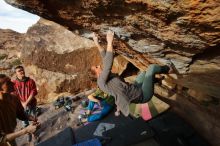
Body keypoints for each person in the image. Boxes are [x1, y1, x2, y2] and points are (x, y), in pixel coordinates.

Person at [90, 31, 173, 117]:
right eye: (96, 67)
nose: (99, 65)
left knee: (144, 73)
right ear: (97, 74)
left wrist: (97, 43)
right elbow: (108, 64)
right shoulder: (101, 82)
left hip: (135, 87)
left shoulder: (105, 77)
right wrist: (109, 42)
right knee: (151, 69)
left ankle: (154, 81)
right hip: (142, 95)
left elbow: (105, 58)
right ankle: (168, 69)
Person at [0, 74, 38, 146]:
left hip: (11, 135)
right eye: (8, 83)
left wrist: (30, 117)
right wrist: (26, 130)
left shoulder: (14, 98)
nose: (13, 83)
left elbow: (20, 113)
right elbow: (1, 139)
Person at [12, 66, 38, 142]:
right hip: (21, 106)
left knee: (34, 119)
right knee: (24, 121)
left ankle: (34, 134)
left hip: (32, 104)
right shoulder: (14, 83)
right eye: (19, 71)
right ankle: (28, 133)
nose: (21, 72)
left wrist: (26, 103)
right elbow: (14, 95)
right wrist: (22, 103)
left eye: (22, 70)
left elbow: (33, 92)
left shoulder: (31, 81)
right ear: (16, 73)